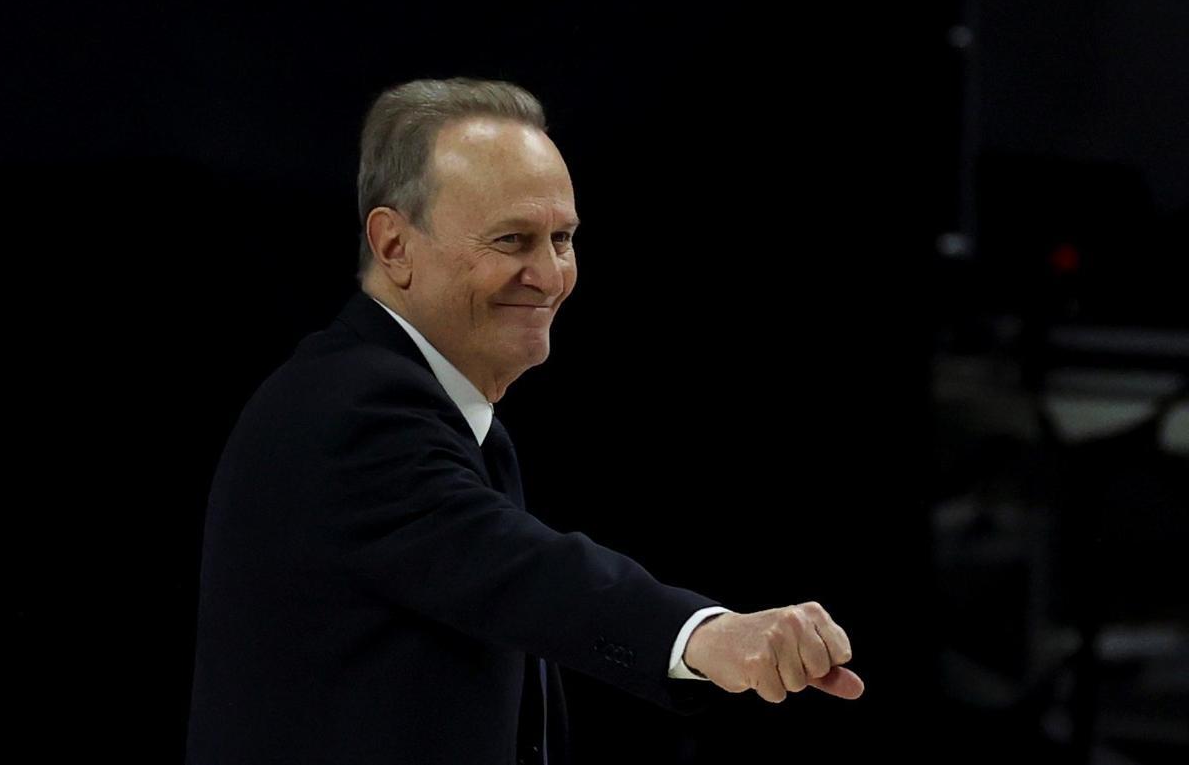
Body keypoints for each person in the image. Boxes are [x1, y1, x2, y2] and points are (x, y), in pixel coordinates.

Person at [185, 77, 863, 765]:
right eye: (512, 240)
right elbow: (526, 569)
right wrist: (704, 635)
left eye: (562, 238)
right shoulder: (350, 408)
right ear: (393, 245)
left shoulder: (452, 418)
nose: (548, 273)